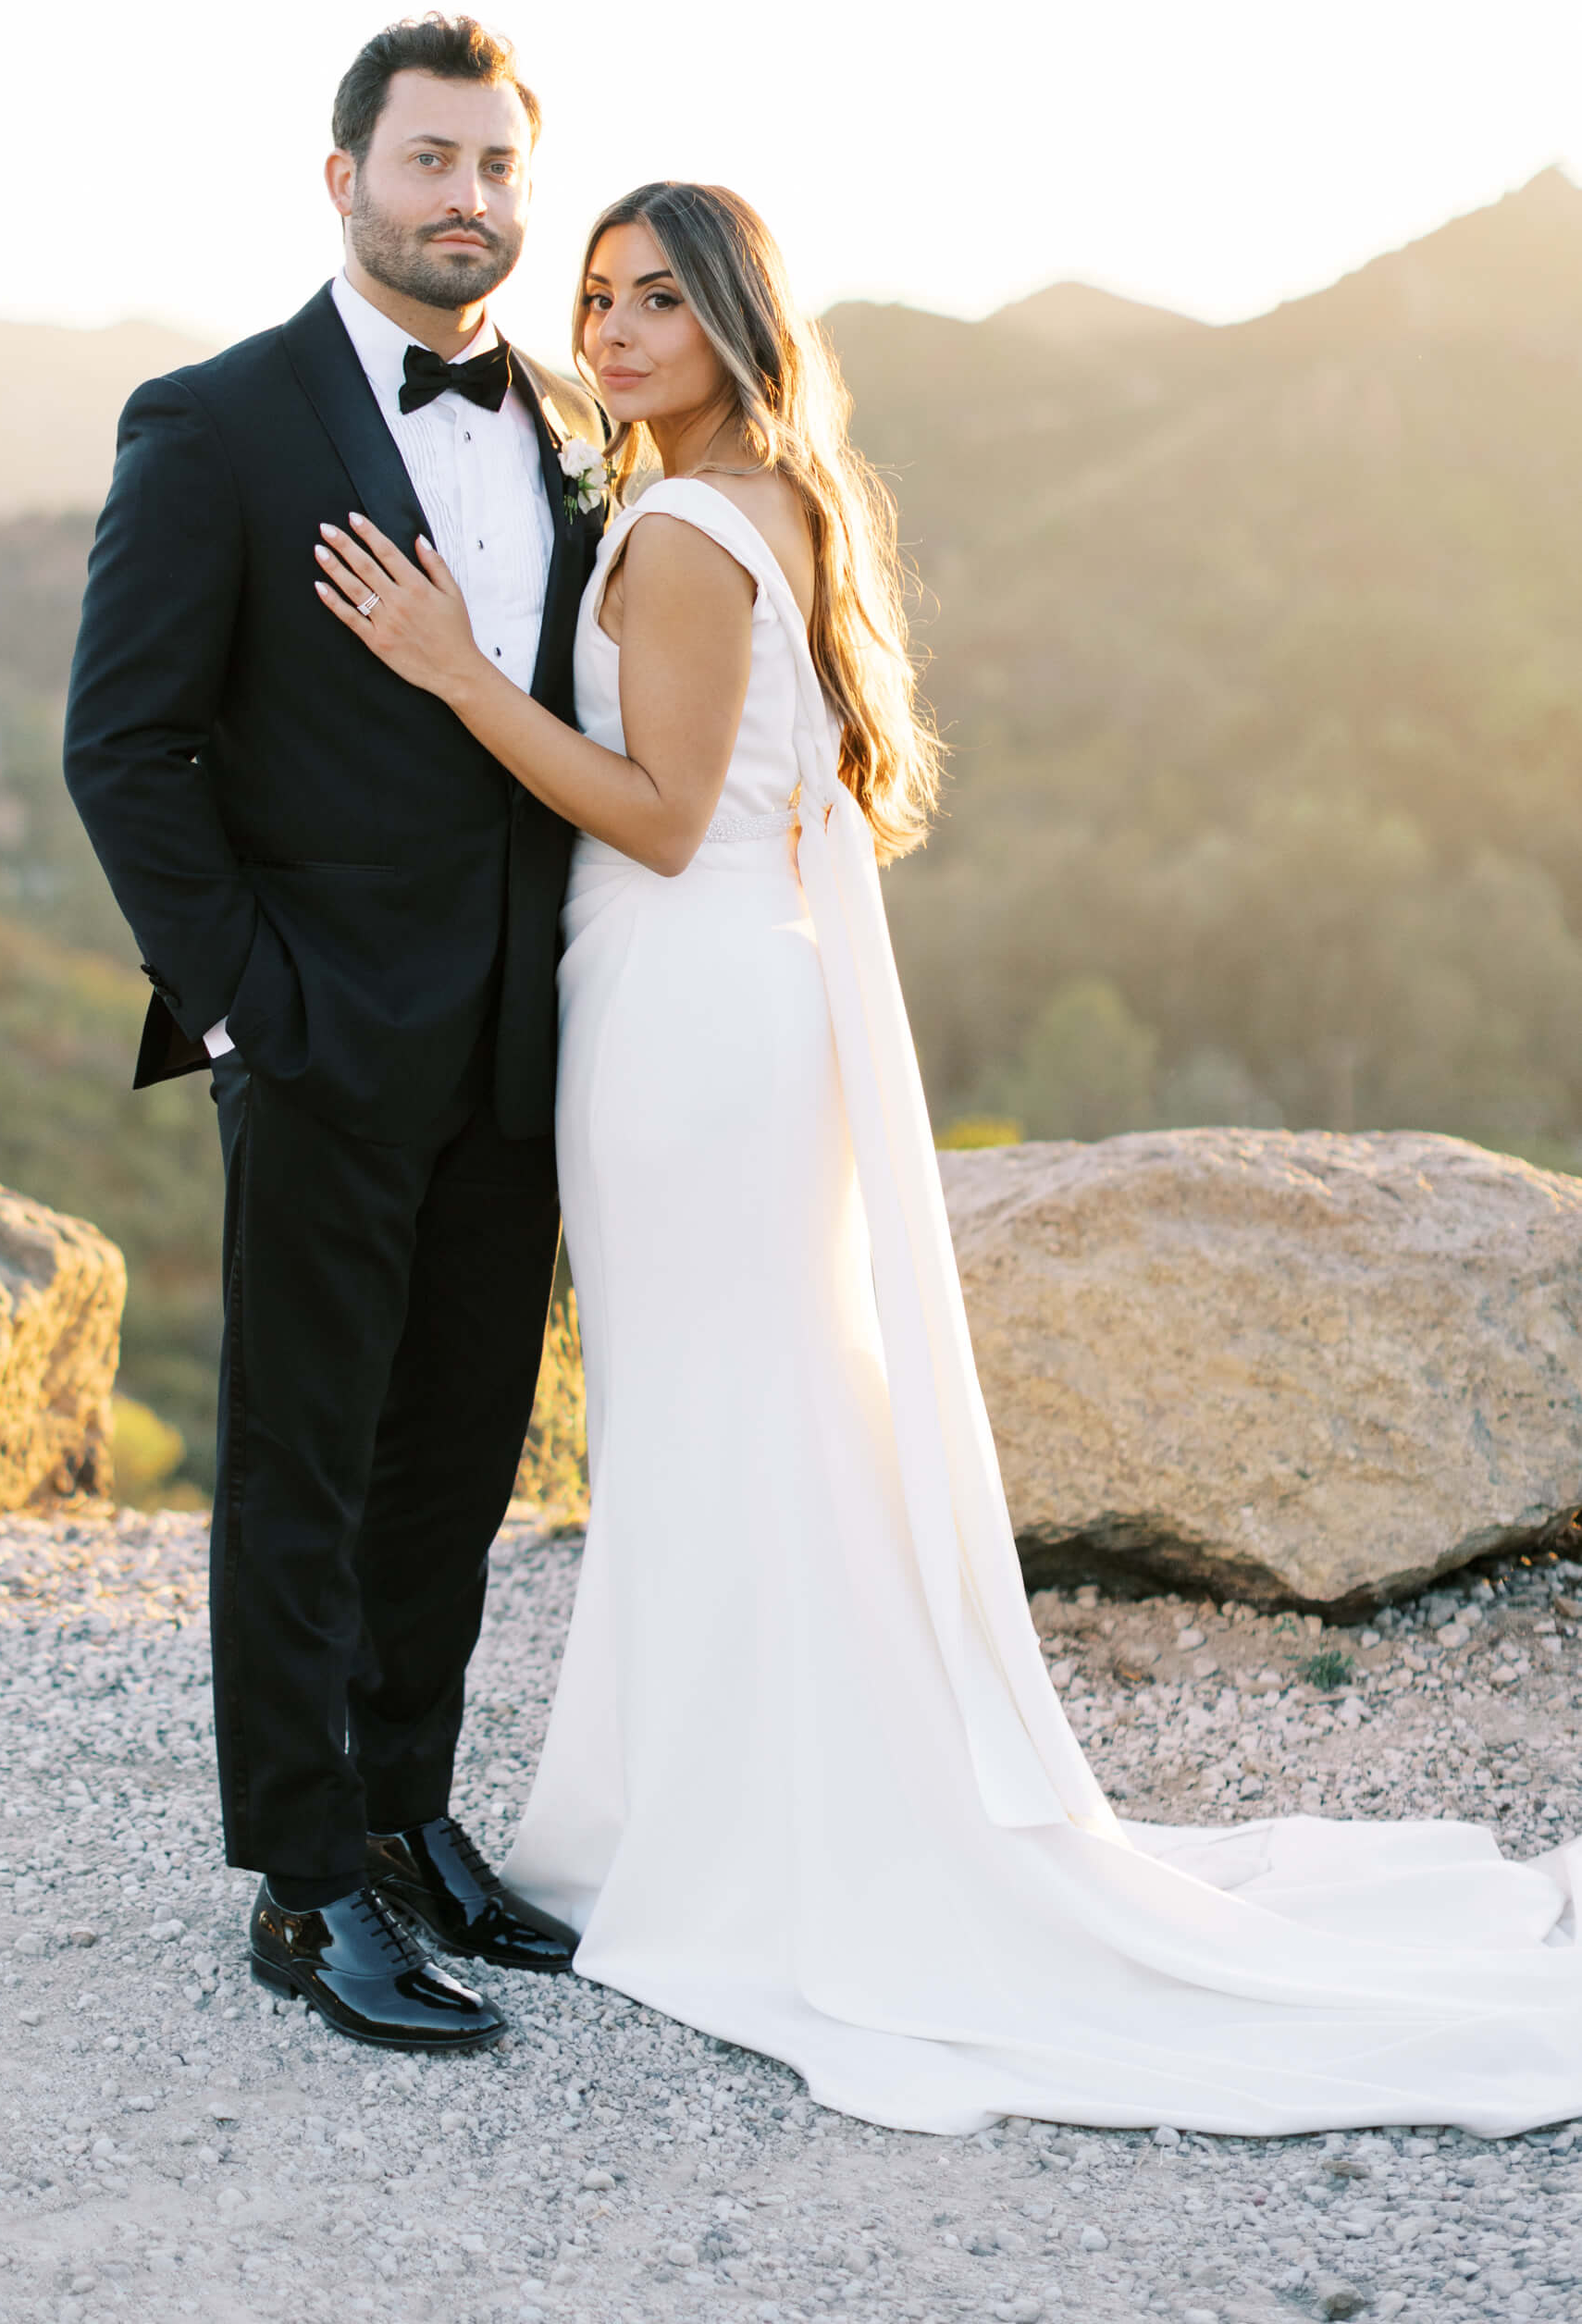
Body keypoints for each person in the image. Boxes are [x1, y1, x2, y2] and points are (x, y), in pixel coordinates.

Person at [314, 177, 1582, 2137]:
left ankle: (747, 1833)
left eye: (662, 298)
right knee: (751, 1406)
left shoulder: (672, 524)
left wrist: (453, 670)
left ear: (737, 324)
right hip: (739, 1003)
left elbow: (656, 816)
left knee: (714, 1414)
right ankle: (741, 1796)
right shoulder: (790, 498)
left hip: (678, 1007)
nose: (619, 329)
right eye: (601, 296)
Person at [64, 16, 601, 2052]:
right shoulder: (211, 422)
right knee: (300, 1464)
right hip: (309, 1042)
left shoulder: (567, 425)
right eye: (429, 160)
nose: (467, 198)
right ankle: (303, 1887)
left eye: (496, 168)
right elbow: (123, 745)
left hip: (515, 1052)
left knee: (452, 1452)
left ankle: (405, 1808)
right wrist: (245, 1008)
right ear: (343, 180)